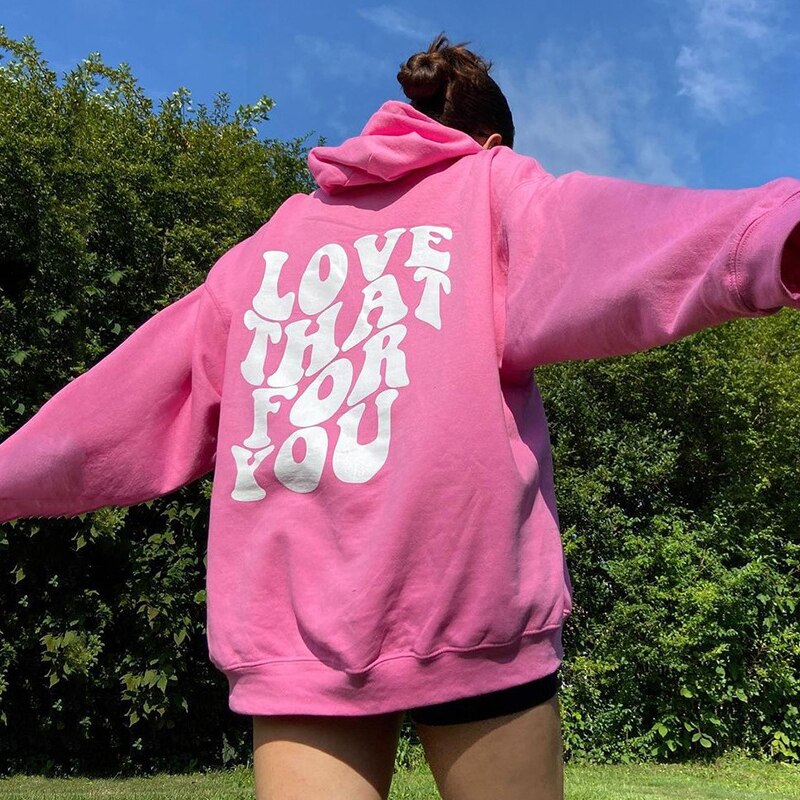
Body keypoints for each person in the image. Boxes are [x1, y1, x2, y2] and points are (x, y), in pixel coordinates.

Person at [1, 32, 800, 800]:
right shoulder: (492, 189)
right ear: (492, 143)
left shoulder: (261, 255)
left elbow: (125, 402)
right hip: (470, 602)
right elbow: (606, 235)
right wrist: (771, 230)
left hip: (297, 627)